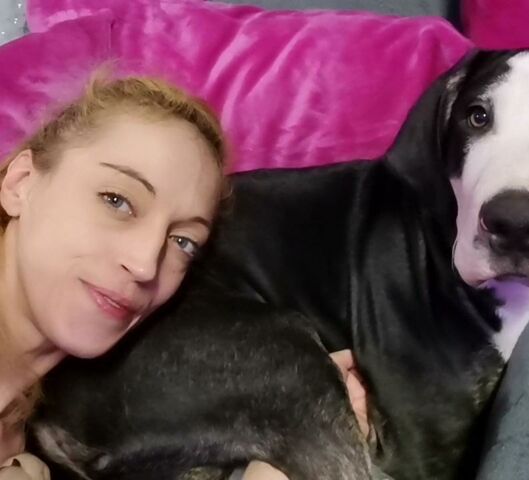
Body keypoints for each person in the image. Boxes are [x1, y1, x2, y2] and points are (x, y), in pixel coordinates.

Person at [0, 74, 369, 480]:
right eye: (117, 200)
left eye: (183, 242)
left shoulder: (28, 437)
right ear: (21, 184)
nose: (145, 263)